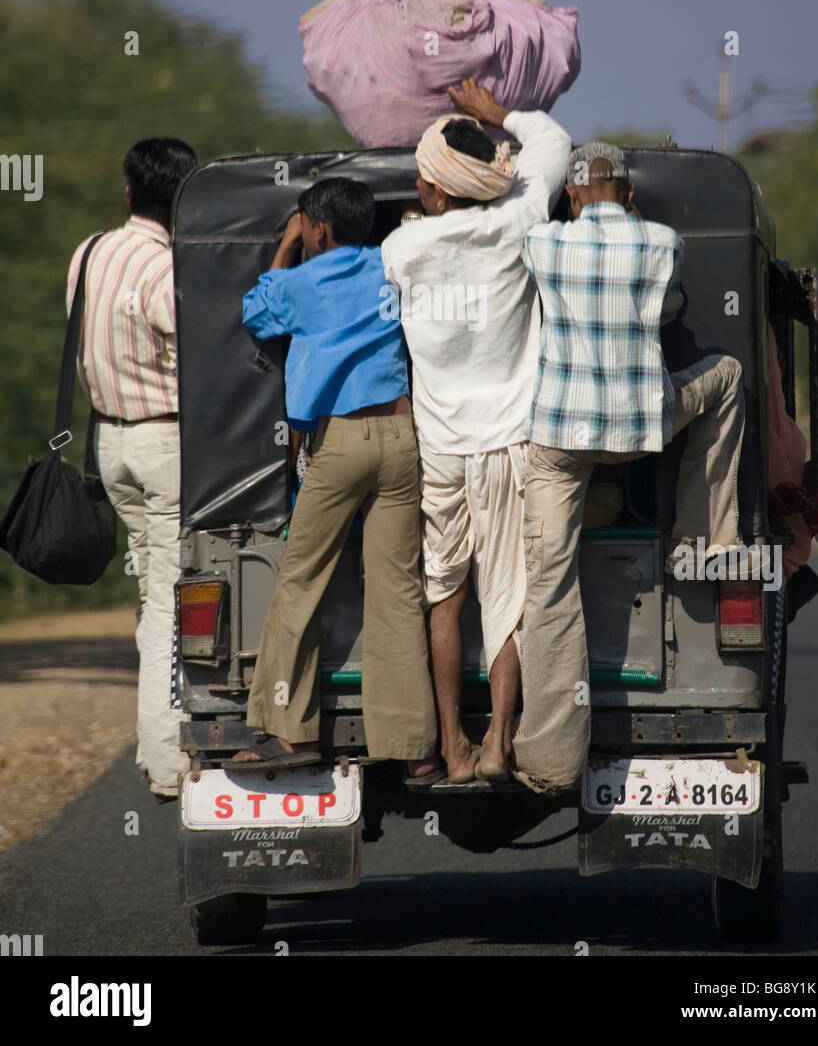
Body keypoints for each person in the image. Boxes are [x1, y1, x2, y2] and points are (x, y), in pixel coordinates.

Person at [512, 142, 747, 795]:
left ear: (575, 197)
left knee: (549, 589)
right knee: (726, 379)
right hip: (643, 427)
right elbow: (670, 311)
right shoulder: (662, 243)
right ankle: (700, 541)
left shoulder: (543, 243)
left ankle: (551, 759)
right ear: (630, 195)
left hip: (559, 437)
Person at [380, 79, 572, 782]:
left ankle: (452, 749)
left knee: (445, 596)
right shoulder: (517, 220)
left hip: (441, 452)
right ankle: (498, 742)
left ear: (431, 191)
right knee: (509, 597)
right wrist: (503, 118)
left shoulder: (401, 252)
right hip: (512, 443)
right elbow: (553, 145)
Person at [229, 177, 438, 783]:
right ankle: (415, 747)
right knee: (397, 592)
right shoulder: (389, 264)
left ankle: (291, 735)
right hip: (403, 440)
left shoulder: (300, 281)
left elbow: (255, 311)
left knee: (300, 581)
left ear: (318, 229)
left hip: (340, 444)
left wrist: (285, 246)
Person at [66, 137, 197, 801]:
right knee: (174, 603)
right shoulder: (164, 269)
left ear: (128, 194)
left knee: (152, 593)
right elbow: (194, 347)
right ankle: (169, 759)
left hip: (109, 445)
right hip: (163, 446)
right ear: (185, 199)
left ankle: (155, 745)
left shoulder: (87, 254)